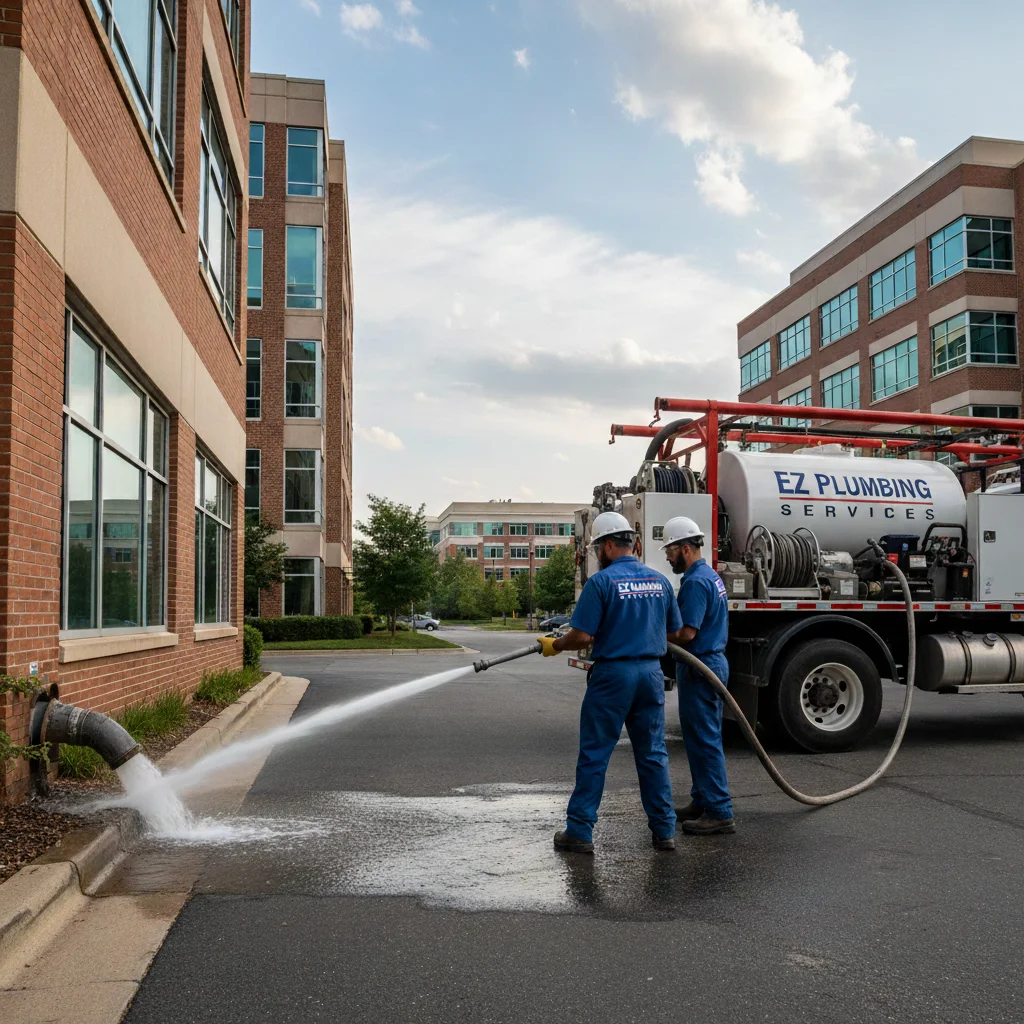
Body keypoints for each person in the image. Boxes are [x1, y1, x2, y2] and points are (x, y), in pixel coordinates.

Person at [540, 510, 681, 854]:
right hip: (650, 674)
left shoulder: (600, 583)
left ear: (606, 546)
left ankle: (580, 830)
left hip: (612, 676)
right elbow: (675, 631)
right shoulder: (660, 581)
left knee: (595, 752)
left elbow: (582, 635)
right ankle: (664, 831)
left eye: (596, 549)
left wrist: (556, 645)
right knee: (653, 754)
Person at [661, 516, 735, 835]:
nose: (667, 556)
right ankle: (702, 799)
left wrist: (654, 634)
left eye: (671, 550)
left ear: (686, 548)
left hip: (701, 667)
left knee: (705, 740)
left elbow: (687, 633)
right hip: (708, 666)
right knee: (698, 737)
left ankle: (719, 810)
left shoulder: (694, 582)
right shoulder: (709, 575)